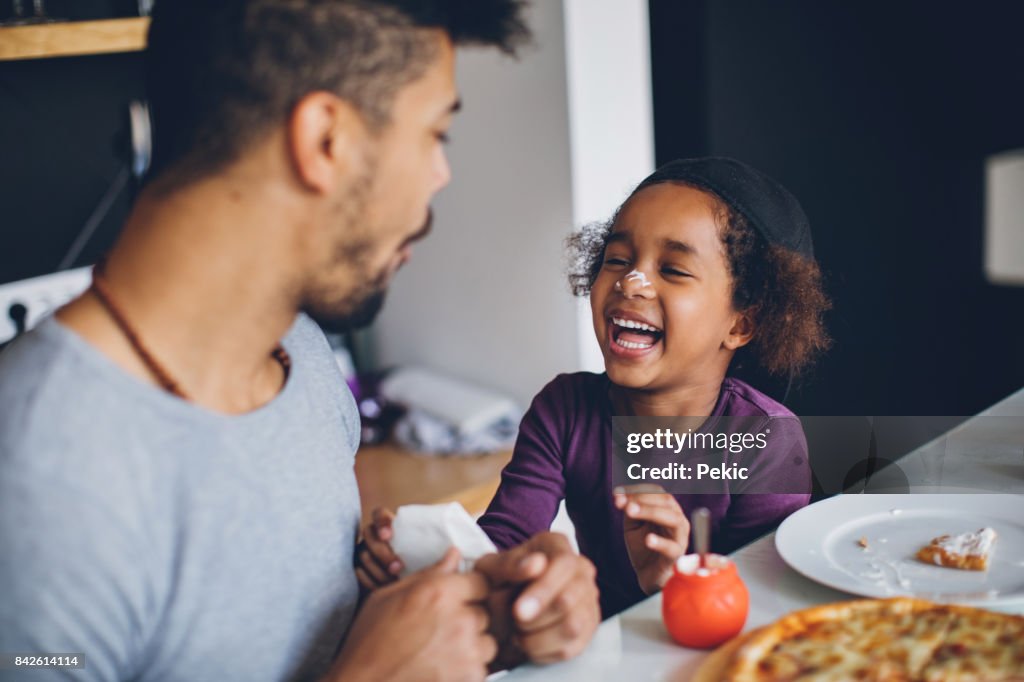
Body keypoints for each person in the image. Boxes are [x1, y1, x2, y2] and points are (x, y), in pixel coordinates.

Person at [0, 2, 599, 680]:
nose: (440, 176)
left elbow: (301, 640)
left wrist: (490, 616)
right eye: (436, 135)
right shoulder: (36, 476)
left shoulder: (302, 359)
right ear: (325, 141)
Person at [359, 157, 831, 618]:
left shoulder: (766, 440)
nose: (632, 281)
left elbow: (770, 609)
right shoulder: (563, 411)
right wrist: (414, 553)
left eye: (673, 269)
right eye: (618, 258)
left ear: (741, 324)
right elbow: (499, 551)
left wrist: (671, 586)